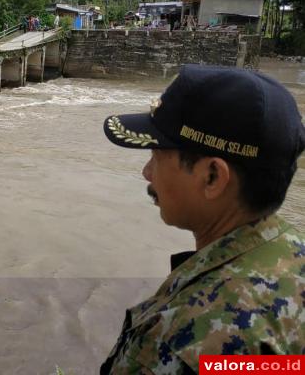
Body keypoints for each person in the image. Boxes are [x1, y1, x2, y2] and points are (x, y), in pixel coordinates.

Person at [101, 65, 305, 373]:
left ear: (212, 177)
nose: (147, 172)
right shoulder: (294, 254)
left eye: (157, 156)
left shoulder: (179, 341)